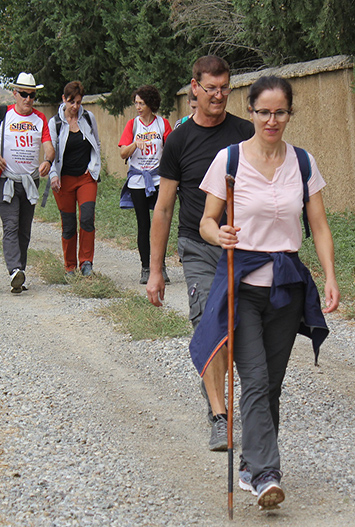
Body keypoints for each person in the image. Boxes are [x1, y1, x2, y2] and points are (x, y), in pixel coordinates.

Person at [190, 75, 338, 509]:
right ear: (251, 112)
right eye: (263, 112)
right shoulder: (230, 160)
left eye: (280, 112)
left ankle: (253, 464)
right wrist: (220, 236)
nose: (272, 120)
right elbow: (206, 221)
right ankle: (268, 473)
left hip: (287, 288)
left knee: (271, 383)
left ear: (290, 113)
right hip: (243, 287)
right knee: (253, 379)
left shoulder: (303, 163)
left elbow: (320, 226)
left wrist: (330, 276)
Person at [146, 55, 253, 452]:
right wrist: (156, 271)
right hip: (197, 247)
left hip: (242, 247)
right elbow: (164, 207)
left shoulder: (245, 133)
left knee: (242, 331)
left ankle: (242, 400)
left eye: (225, 88)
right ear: (195, 87)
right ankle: (219, 415)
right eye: (211, 88)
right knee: (211, 330)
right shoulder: (179, 140)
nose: (219, 95)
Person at [0, 72, 55, 293]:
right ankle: (14, 269)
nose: (28, 99)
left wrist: (48, 161)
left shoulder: (39, 119)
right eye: (23, 94)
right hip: (7, 181)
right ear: (15, 94)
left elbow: (49, 145)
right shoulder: (3, 114)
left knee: (24, 230)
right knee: (11, 226)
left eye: (31, 95)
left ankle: (19, 274)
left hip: (30, 182)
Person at [118, 85, 172, 284]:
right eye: (136, 103)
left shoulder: (162, 124)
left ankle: (161, 266)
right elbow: (123, 153)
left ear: (151, 104)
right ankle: (146, 267)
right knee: (143, 224)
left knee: (161, 222)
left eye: (142, 103)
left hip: (158, 179)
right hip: (138, 180)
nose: (138, 107)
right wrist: (134, 144)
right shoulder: (132, 125)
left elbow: (171, 148)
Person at [47, 81, 101, 277]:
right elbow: (50, 150)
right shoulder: (55, 123)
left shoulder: (88, 118)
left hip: (86, 178)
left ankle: (86, 262)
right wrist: (53, 175)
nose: (75, 106)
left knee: (87, 218)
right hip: (64, 180)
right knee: (68, 224)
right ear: (64, 99)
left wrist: (93, 169)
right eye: (71, 102)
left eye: (78, 102)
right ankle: (70, 266)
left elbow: (97, 143)